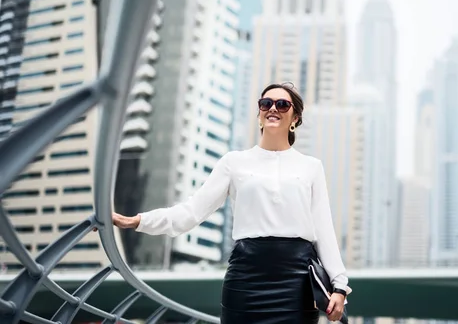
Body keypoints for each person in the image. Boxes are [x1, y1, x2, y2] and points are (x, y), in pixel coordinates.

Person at [112, 82, 349, 323]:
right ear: (259, 114)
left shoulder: (311, 167)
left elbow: (324, 229)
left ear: (295, 118)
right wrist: (138, 221)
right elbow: (192, 211)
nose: (272, 109)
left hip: (296, 283)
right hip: (246, 279)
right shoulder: (234, 162)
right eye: (265, 103)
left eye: (282, 104)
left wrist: (339, 287)